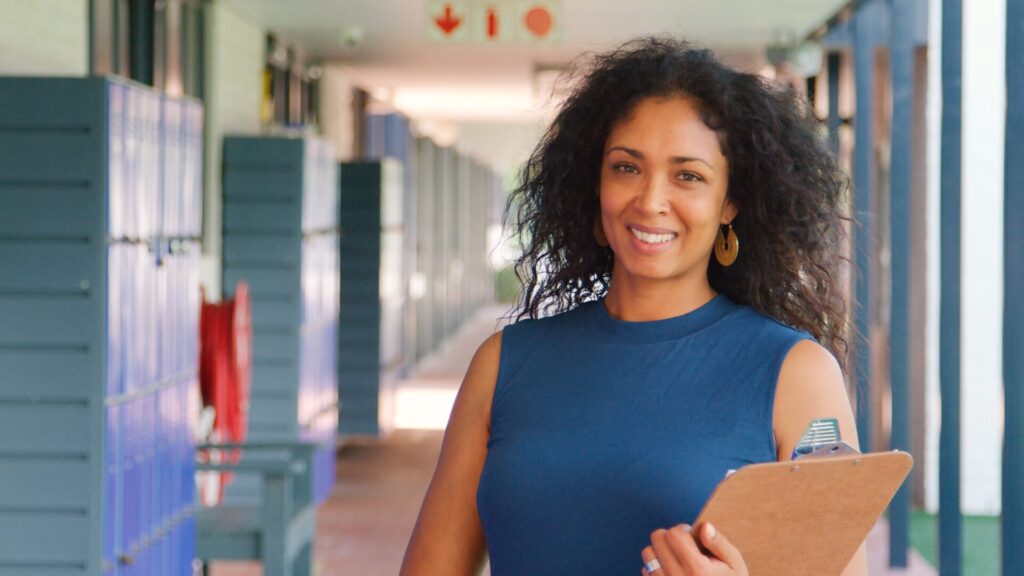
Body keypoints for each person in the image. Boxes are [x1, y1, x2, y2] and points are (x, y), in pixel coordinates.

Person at [400, 37, 865, 576]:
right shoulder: (503, 364)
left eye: (688, 175)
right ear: (593, 185)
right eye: (627, 168)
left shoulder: (795, 374)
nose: (650, 200)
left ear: (730, 202)